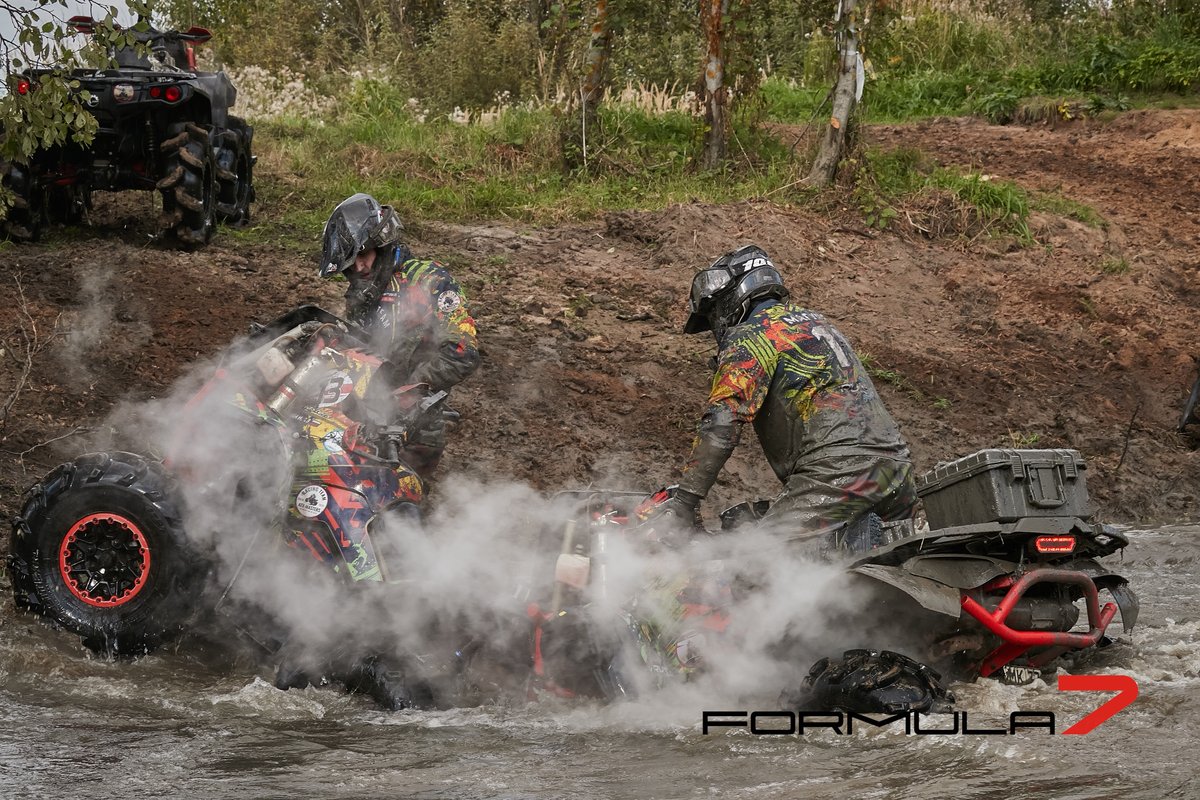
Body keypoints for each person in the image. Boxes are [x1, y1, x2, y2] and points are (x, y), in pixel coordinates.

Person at [648, 244, 916, 541]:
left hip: (839, 474)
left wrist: (685, 502)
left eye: (713, 314)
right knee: (860, 562)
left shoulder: (754, 333)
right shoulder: (818, 322)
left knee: (757, 559)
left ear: (733, 296)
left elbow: (721, 423)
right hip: (898, 473)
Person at [319, 193, 479, 481]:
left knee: (390, 499)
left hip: (412, 431)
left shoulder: (428, 280)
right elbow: (358, 350)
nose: (358, 268)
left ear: (381, 246)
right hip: (362, 417)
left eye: (362, 256)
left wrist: (411, 390)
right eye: (350, 264)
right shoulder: (362, 294)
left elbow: (462, 351)